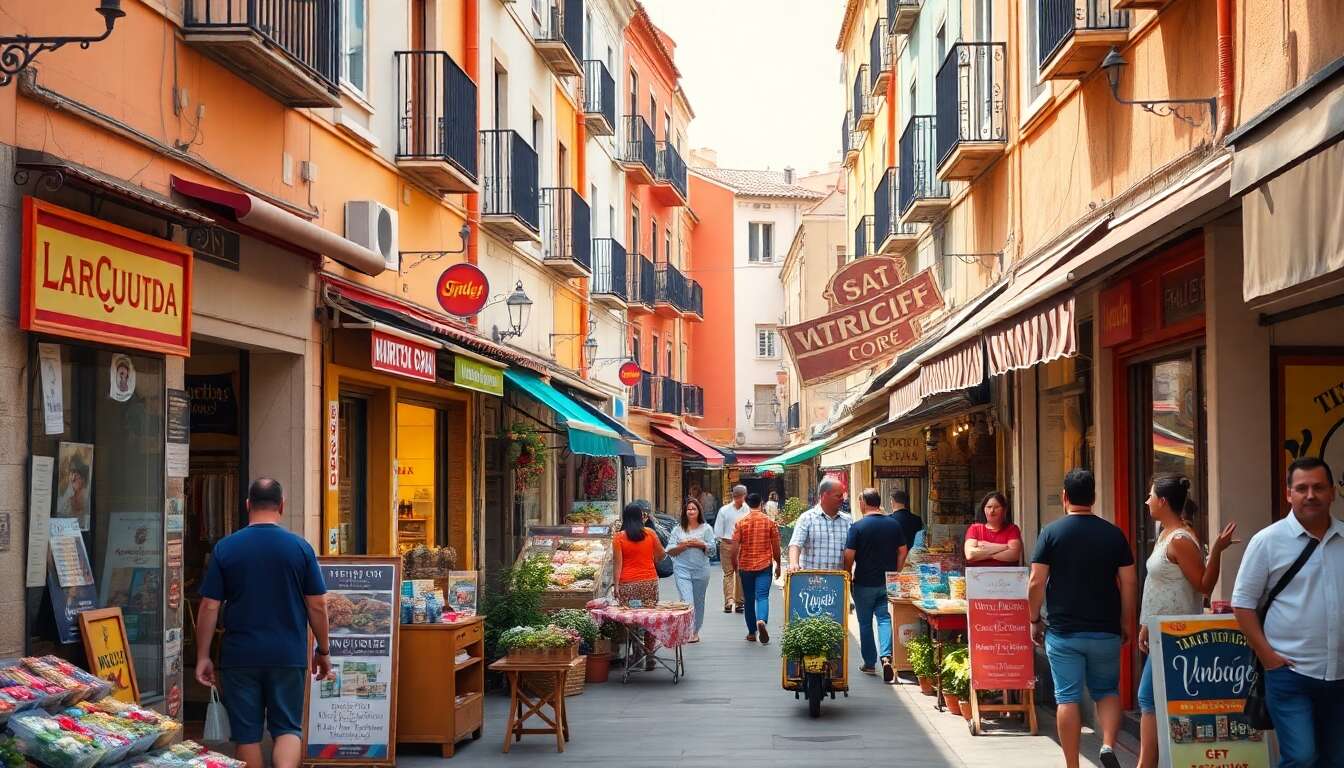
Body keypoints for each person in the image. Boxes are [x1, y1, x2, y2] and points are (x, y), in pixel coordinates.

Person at [194, 479, 330, 768]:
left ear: (247, 506)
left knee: (247, 735)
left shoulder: (225, 548)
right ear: (282, 506)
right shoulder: (300, 548)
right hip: (288, 654)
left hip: (239, 655)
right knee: (288, 729)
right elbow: (317, 605)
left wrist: (203, 655)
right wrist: (324, 650)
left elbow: (209, 606)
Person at [1232, 457, 1344, 767]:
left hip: (1340, 675)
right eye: (1302, 488)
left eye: (1319, 487)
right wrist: (1268, 656)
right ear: (1288, 494)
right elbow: (1242, 604)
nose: (1311, 495)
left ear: (1332, 492)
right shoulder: (1268, 542)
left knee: (1336, 759)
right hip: (1290, 674)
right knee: (1302, 757)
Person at [1028, 469, 1136, 768]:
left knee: (1067, 698)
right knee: (1107, 691)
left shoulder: (1051, 532)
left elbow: (1036, 581)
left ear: (1064, 496)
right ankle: (1107, 745)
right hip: (1106, 629)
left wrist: (1034, 618)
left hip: (1064, 632)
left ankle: (1073, 764)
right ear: (1094, 497)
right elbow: (1128, 581)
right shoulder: (1113, 533)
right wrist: (1127, 621)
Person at [1136, 475, 1237, 768]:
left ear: (1163, 502)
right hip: (1161, 633)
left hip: (1176, 636)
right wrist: (1146, 624)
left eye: (1151, 495)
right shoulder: (1167, 533)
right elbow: (1159, 586)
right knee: (1151, 701)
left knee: (1149, 700)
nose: (1147, 501)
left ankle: (1147, 764)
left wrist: (1216, 550)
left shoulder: (1180, 539)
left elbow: (1203, 585)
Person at [843, 488, 908, 682]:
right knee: (884, 618)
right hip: (886, 581)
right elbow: (903, 551)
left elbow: (849, 555)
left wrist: (848, 572)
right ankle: (886, 656)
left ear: (863, 502)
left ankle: (870, 663)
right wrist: (896, 572)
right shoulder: (893, 524)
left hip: (864, 582)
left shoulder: (858, 526)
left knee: (864, 623)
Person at [613, 501, 667, 669]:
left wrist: (616, 586)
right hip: (648, 583)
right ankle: (650, 654)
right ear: (640, 517)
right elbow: (662, 555)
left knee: (632, 619)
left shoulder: (619, 537)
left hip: (628, 585)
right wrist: (649, 560)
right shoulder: (650, 533)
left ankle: (637, 655)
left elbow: (618, 565)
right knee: (649, 618)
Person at [731, 492, 781, 643]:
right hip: (764, 566)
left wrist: (735, 565)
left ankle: (752, 632)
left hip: (745, 567)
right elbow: (776, 547)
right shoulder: (770, 523)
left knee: (749, 599)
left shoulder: (741, 523)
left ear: (747, 503)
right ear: (761, 503)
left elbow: (734, 548)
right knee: (762, 596)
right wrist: (778, 564)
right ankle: (761, 621)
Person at [666, 498, 716, 642]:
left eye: (694, 509)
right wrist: (682, 546)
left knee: (699, 601)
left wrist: (701, 544)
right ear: (685, 512)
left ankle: (695, 631)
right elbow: (669, 549)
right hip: (682, 569)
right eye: (689, 509)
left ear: (699, 511)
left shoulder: (706, 528)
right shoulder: (677, 529)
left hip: (701, 570)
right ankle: (687, 630)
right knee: (687, 601)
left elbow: (712, 550)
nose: (691, 511)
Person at [788, 477, 851, 572]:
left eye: (843, 496)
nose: (842, 499)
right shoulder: (807, 518)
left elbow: (852, 550)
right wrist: (794, 564)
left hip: (839, 581)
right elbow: (795, 544)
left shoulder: (847, 520)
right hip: (811, 581)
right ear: (825, 495)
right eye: (838, 496)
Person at [714, 485, 750, 613]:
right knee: (729, 573)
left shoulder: (748, 510)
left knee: (740, 573)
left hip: (742, 546)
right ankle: (729, 601)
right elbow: (717, 532)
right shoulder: (724, 510)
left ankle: (739, 602)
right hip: (727, 544)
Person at [964, 492, 1023, 567]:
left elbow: (1014, 555)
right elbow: (970, 554)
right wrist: (1005, 547)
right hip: (978, 576)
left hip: (1006, 576)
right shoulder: (974, 529)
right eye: (989, 507)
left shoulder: (1012, 529)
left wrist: (985, 550)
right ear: (984, 509)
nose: (992, 510)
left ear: (1004, 510)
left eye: (996, 507)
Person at [888, 489, 923, 553]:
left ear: (892, 501)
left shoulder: (889, 520)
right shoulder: (917, 519)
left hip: (895, 557)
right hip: (913, 556)